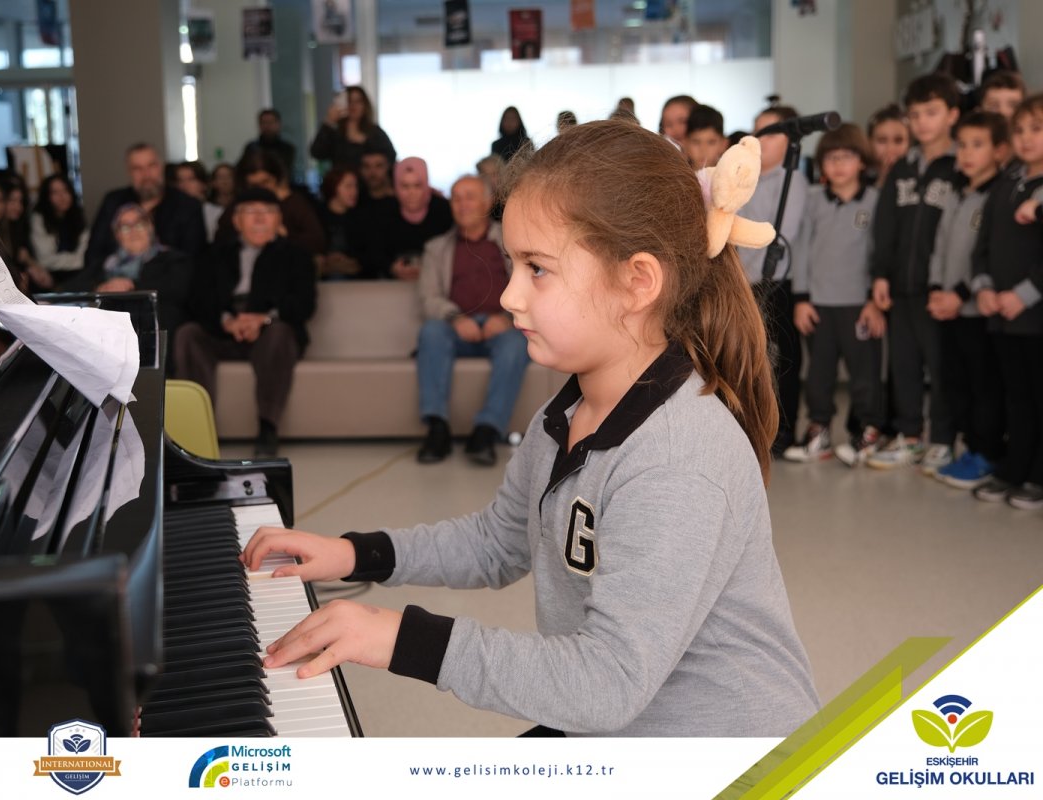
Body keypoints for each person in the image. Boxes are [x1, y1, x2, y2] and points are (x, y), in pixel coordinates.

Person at [242, 120, 819, 738]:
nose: (509, 295)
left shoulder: (678, 459)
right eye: (511, 264)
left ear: (637, 283)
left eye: (537, 269)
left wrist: (401, 638)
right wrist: (357, 553)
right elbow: (498, 542)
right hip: (622, 726)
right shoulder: (566, 414)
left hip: (726, 754)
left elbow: (606, 683)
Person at [174, 187, 317, 457]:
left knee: (280, 333)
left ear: (279, 219)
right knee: (188, 334)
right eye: (251, 211)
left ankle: (267, 428)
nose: (260, 218)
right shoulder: (214, 254)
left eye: (268, 212)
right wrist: (226, 321)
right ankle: (197, 430)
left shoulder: (296, 255)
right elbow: (198, 300)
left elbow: (304, 304)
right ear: (237, 220)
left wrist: (264, 318)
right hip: (223, 328)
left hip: (269, 329)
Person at [868, 74, 964, 472]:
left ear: (952, 115)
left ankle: (942, 439)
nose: (922, 122)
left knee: (941, 369)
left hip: (937, 289)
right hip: (900, 288)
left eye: (932, 112)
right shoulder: (902, 169)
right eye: (916, 114)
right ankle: (909, 436)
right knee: (903, 366)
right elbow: (885, 226)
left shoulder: (959, 166)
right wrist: (880, 275)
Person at [785, 124, 885, 465]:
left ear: (862, 161)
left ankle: (868, 434)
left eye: (847, 157)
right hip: (819, 306)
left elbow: (879, 254)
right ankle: (819, 433)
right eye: (831, 158)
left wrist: (873, 301)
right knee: (819, 376)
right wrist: (801, 299)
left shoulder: (875, 201)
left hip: (860, 306)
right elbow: (801, 250)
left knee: (865, 376)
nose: (838, 164)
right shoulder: (813, 200)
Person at [414, 175, 530, 466]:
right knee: (431, 332)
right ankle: (437, 429)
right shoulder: (436, 248)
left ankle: (486, 431)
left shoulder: (513, 240)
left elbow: (532, 285)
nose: (462, 204)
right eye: (456, 198)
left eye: (470, 196)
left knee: (516, 344)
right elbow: (429, 298)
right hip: (455, 328)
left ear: (488, 202)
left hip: (502, 327)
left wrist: (506, 317)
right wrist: (456, 319)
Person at [928, 111, 1010, 490]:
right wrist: (936, 289)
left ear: (1000, 151)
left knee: (983, 386)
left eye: (978, 145)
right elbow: (940, 247)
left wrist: (959, 295)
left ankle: (986, 453)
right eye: (962, 145)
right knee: (955, 382)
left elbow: (987, 255)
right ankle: (970, 448)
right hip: (948, 308)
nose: (967, 153)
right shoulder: (956, 192)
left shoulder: (997, 195)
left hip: (977, 309)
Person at [970, 94, 1043, 509]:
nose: (1026, 138)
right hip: (1001, 313)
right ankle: (1014, 468)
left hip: (1034, 314)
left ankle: (1037, 476)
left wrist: (1023, 295)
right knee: (1015, 397)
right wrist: (983, 287)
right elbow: (983, 244)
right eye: (1020, 130)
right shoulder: (1006, 183)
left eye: (1037, 129)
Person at [737, 103, 810, 456]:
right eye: (758, 131)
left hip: (778, 284)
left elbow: (781, 235)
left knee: (781, 362)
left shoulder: (792, 180)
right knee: (749, 360)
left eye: (770, 133)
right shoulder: (745, 178)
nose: (760, 139)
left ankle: (783, 431)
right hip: (744, 282)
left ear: (789, 140)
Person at [66, 203, 192, 371]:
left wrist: (132, 285)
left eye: (139, 224)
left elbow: (178, 289)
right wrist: (99, 287)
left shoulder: (172, 259)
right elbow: (67, 288)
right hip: (105, 336)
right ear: (117, 235)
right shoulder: (105, 265)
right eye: (125, 228)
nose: (133, 232)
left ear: (150, 227)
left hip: (154, 331)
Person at [85, 142, 207, 271]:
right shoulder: (113, 202)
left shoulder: (187, 206)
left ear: (161, 167)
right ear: (128, 172)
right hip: (114, 278)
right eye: (137, 168)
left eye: (151, 166)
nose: (146, 175)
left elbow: (193, 260)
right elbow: (93, 254)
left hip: (169, 279)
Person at [357, 157, 453, 280]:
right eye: (405, 186)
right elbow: (371, 252)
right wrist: (391, 267)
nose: (411, 193)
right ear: (396, 187)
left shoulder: (444, 210)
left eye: (417, 185)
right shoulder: (382, 212)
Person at [237, 149, 327, 258]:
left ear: (276, 179)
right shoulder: (240, 204)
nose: (261, 190)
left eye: (265, 182)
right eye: (254, 186)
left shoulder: (293, 203)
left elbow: (318, 241)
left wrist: (286, 236)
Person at [310, 86, 396, 169]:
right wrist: (329, 122)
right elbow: (316, 153)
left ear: (365, 105)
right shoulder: (335, 133)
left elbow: (391, 157)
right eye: (349, 101)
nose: (353, 105)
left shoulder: (375, 132)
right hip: (341, 178)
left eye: (358, 101)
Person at [30, 173, 89, 285]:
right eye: (55, 192)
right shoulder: (39, 219)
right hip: (51, 274)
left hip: (79, 273)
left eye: (65, 191)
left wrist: (80, 260)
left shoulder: (77, 216)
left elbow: (85, 251)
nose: (62, 197)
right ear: (47, 197)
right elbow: (45, 259)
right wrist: (77, 260)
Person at [318, 166, 362, 279]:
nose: (354, 191)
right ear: (333, 187)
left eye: (355, 186)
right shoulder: (317, 216)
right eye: (348, 186)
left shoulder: (361, 218)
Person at [240, 108, 297, 178]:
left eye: (271, 122)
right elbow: (242, 169)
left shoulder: (287, 148)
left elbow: (284, 171)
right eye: (264, 122)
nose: (267, 126)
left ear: (278, 124)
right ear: (259, 125)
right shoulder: (251, 148)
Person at [866, 104, 911, 188]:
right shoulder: (858, 180)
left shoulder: (920, 176)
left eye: (898, 141)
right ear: (869, 143)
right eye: (882, 141)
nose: (890, 149)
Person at [684, 104, 728, 168]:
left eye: (711, 142)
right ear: (685, 143)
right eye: (696, 142)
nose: (703, 150)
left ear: (723, 144)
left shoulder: (734, 173)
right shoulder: (676, 173)